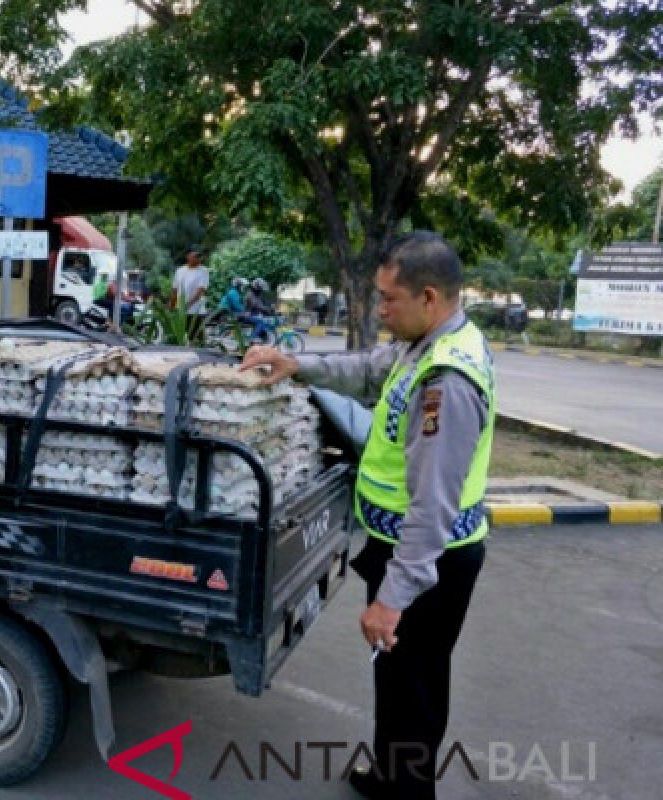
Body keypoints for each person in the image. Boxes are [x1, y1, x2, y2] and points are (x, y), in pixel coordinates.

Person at [241, 231, 494, 800]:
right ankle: (387, 776)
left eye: (389, 299)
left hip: (429, 562)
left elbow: (432, 507)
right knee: (398, 678)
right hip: (408, 553)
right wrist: (295, 364)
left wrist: (393, 598)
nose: (380, 310)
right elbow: (369, 370)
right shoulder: (424, 345)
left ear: (429, 297)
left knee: (416, 690)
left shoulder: (446, 383)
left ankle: (405, 791)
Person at [170, 246, 210, 342]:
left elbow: (200, 291)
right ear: (188, 256)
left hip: (196, 312)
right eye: (196, 256)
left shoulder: (203, 271)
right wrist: (171, 305)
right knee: (179, 339)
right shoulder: (180, 271)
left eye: (200, 256)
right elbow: (175, 290)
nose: (198, 258)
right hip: (180, 311)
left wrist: (187, 305)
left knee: (195, 340)